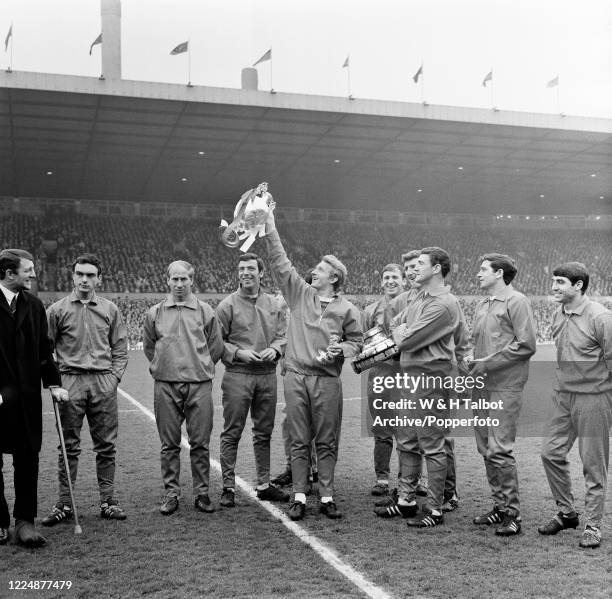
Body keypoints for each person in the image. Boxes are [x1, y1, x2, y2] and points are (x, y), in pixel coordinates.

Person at [263, 206, 363, 521]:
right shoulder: (299, 294)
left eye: (320, 268)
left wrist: (342, 349)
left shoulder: (348, 309)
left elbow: (357, 343)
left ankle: (328, 496)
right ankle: (300, 496)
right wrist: (270, 225)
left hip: (328, 382)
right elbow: (280, 262)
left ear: (334, 277)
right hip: (295, 376)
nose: (314, 271)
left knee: (327, 440)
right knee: (298, 439)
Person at [43, 254, 129, 526]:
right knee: (68, 447)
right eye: (80, 274)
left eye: (90, 275)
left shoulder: (109, 309)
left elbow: (120, 348)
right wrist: (55, 383)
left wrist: (114, 377)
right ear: (73, 276)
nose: (84, 279)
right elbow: (45, 351)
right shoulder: (56, 310)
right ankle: (65, 504)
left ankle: (108, 501)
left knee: (106, 446)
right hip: (70, 382)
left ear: (98, 279)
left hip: (103, 381)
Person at [390, 247, 471, 527]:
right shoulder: (421, 297)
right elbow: (396, 325)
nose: (414, 268)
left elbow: (405, 340)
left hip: (430, 377)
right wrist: (401, 332)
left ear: (436, 268)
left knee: (433, 444)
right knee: (408, 440)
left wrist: (401, 334)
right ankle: (406, 500)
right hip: (412, 374)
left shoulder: (443, 303)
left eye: (421, 263)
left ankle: (435, 508)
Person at [539, 262, 612, 549]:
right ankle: (567, 513)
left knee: (593, 465)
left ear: (578, 285)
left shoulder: (602, 318)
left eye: (560, 282)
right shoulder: (558, 313)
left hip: (594, 399)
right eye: (554, 281)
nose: (554, 287)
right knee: (549, 453)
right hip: (563, 397)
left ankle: (594, 525)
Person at [143, 260, 224, 515]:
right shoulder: (154, 313)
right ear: (167, 280)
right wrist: (164, 366)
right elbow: (149, 347)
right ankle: (171, 494)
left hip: (198, 385)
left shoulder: (205, 311)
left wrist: (198, 366)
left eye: (184, 279)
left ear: (192, 280)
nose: (179, 284)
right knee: (169, 445)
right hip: (165, 384)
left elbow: (216, 347)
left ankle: (202, 493)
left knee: (200, 443)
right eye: (174, 279)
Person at [0, 249, 64, 548]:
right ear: (9, 274)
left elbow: (44, 349)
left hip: (26, 399)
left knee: (28, 459)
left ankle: (24, 521)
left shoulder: (35, 305)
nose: (34, 274)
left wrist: (53, 383)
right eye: (28, 270)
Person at [469, 253, 536, 536]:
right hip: (481, 384)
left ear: (499, 273)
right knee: (485, 447)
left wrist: (487, 363)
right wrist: (471, 360)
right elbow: (476, 342)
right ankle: (498, 507)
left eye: (483, 269)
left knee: (500, 448)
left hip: (504, 385)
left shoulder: (517, 301)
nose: (478, 273)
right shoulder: (482, 303)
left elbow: (526, 344)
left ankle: (513, 514)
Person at [216, 253, 289, 507]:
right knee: (232, 432)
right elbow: (217, 342)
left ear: (261, 273)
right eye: (241, 268)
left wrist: (276, 349)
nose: (245, 272)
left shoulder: (274, 304)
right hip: (238, 375)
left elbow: (282, 336)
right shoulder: (226, 305)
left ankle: (264, 484)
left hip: (267, 376)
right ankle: (228, 486)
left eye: (250, 268)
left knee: (263, 433)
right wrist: (238, 352)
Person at [362, 263, 404, 496]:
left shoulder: (412, 306)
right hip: (379, 374)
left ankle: (409, 479)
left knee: (407, 430)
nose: (390, 281)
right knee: (382, 428)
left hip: (406, 374)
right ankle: (382, 479)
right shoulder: (370, 311)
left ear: (403, 280)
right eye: (386, 277)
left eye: (395, 277)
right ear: (381, 282)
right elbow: (365, 345)